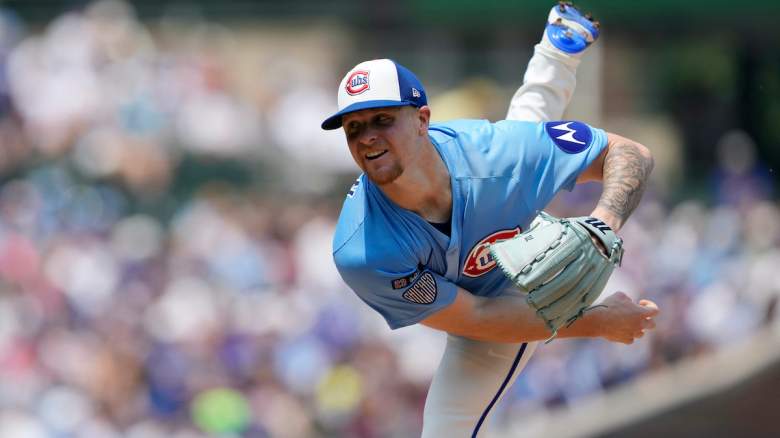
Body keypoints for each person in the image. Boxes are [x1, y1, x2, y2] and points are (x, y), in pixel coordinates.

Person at [322, 3, 659, 436]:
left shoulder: (493, 154)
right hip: (492, 299)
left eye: (382, 119)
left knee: (520, 153)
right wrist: (597, 321)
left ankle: (557, 53)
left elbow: (631, 154)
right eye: (353, 127)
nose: (367, 137)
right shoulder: (363, 248)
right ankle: (555, 53)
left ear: (422, 119)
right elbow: (479, 317)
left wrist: (604, 224)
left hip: (515, 239)